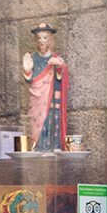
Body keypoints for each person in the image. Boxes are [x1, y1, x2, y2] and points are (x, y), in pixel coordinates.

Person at [20, 21, 68, 152]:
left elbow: (60, 77)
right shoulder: (33, 58)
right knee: (37, 120)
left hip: (52, 98)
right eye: (39, 38)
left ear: (50, 40)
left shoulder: (56, 59)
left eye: (45, 38)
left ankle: (55, 145)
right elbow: (30, 79)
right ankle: (38, 145)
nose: (41, 41)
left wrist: (58, 67)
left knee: (52, 119)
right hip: (38, 97)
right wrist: (27, 70)